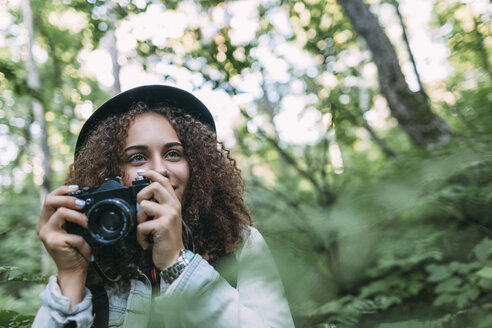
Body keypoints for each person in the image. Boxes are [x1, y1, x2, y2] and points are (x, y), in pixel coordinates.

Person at [32, 85, 295, 328]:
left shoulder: (239, 244)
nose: (159, 169)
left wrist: (177, 262)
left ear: (197, 166)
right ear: (109, 176)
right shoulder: (93, 255)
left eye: (173, 154)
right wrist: (71, 276)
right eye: (137, 158)